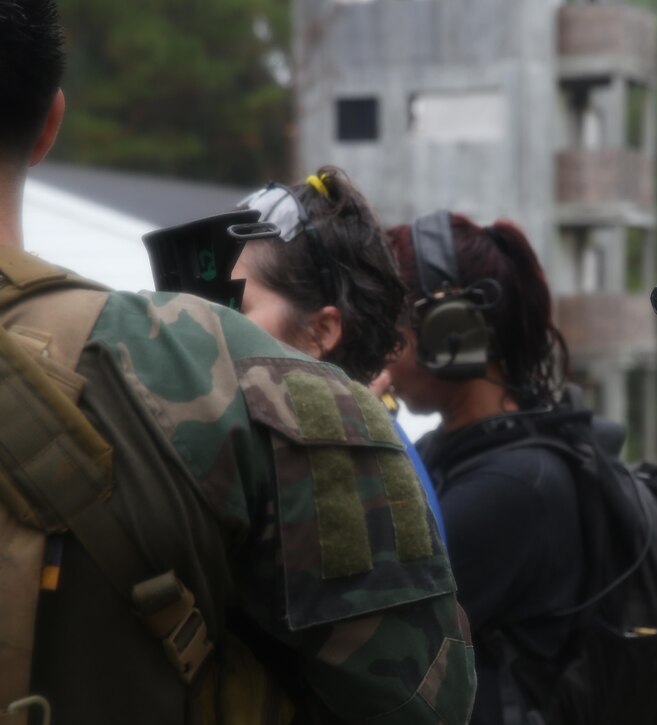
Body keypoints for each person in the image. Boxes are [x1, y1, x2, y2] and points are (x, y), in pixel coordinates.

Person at [0, 3, 474, 723]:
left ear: (324, 330)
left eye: (230, 304)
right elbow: (419, 698)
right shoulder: (203, 390)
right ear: (48, 123)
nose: (200, 319)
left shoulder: (318, 442)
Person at [384, 210, 584, 725]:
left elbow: (382, 642)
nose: (378, 347)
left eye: (391, 328)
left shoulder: (512, 486)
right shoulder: (445, 452)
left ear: (452, 334)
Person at [228, 165, 447, 543]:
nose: (209, 323)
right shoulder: (369, 446)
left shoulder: (335, 484)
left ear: (321, 331)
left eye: (237, 308)